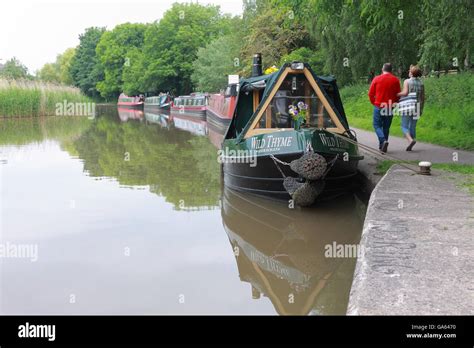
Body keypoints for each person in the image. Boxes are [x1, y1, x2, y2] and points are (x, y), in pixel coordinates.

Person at [368, 63, 401, 153]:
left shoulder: (377, 78)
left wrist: (374, 103)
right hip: (389, 107)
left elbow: (370, 94)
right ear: (391, 70)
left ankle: (383, 141)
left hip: (378, 106)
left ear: (383, 69)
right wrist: (395, 104)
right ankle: (382, 147)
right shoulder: (395, 80)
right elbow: (398, 95)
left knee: (376, 125)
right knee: (386, 127)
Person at [397, 65, 425, 151]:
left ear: (411, 73)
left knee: (404, 126)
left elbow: (405, 93)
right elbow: (423, 97)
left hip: (408, 106)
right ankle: (411, 142)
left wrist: (397, 94)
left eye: (409, 71)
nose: (408, 72)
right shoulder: (421, 83)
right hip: (417, 106)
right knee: (412, 126)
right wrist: (421, 109)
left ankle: (410, 140)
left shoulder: (407, 81)